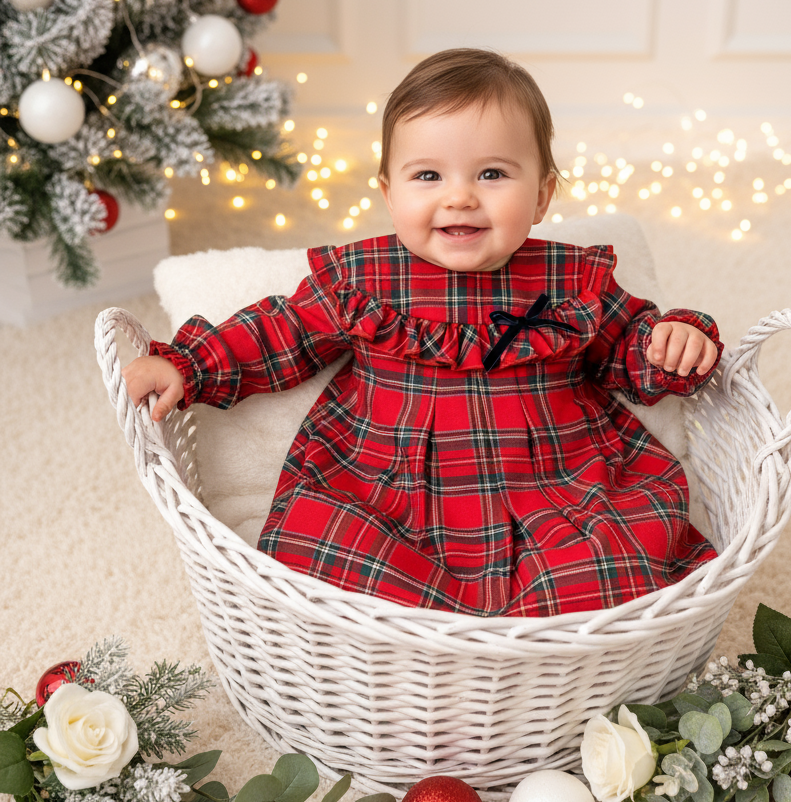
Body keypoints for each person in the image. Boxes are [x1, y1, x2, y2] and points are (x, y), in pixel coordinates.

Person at [123, 48, 722, 616]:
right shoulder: (367, 280)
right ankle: (406, 651)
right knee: (326, 548)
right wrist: (189, 365)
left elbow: (631, 346)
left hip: (559, 485)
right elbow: (281, 333)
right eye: (428, 175)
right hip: (388, 489)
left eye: (492, 174)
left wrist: (674, 340)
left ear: (541, 196)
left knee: (612, 564)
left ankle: (537, 658)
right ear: (390, 194)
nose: (459, 197)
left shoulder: (570, 280)